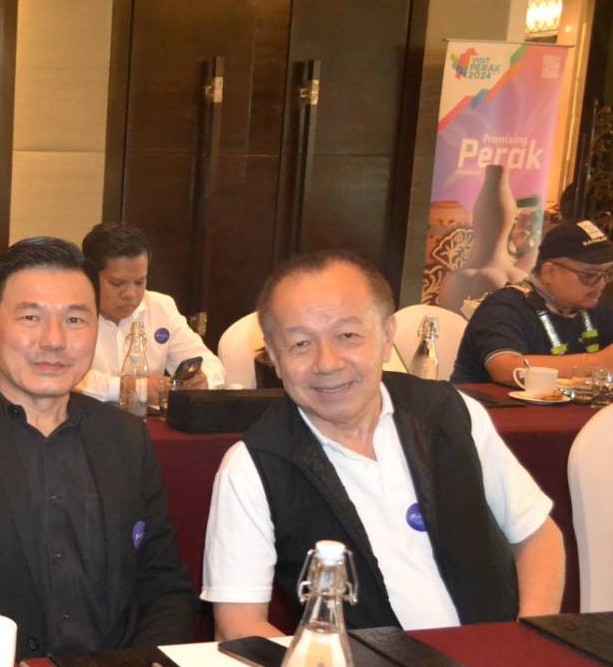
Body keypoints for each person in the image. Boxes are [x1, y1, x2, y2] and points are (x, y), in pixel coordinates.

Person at [204, 250, 563, 639]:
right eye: (301, 344)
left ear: (387, 335)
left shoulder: (450, 414)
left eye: (348, 336)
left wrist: (524, 641)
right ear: (274, 356)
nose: (327, 363)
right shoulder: (255, 465)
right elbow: (239, 625)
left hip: (493, 654)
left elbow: (538, 536)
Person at [0, 237, 196, 658]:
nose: (54, 340)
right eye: (31, 317)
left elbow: (166, 587)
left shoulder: (125, 436)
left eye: (75, 319)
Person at [451, 219, 613, 384]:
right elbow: (506, 370)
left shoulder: (596, 305)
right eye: (589, 275)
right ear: (549, 272)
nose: (601, 283)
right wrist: (595, 363)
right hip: (487, 400)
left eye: (607, 273)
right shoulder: (504, 306)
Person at [74, 222, 224, 401]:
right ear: (90, 276)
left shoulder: (161, 307)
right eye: (117, 283)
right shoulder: (68, 312)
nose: (130, 294)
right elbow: (64, 376)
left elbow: (211, 364)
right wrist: (127, 387)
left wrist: (202, 380)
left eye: (140, 282)